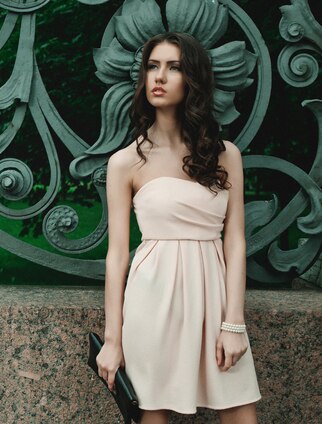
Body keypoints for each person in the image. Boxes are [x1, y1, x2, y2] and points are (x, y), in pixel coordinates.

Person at [96, 32, 262, 424]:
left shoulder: (225, 155)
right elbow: (117, 254)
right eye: (153, 66)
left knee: (241, 411)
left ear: (193, 80)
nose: (159, 76)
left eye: (173, 68)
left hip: (215, 299)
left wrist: (233, 323)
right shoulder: (124, 163)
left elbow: (235, 241)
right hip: (152, 302)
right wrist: (112, 338)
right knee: (153, 414)